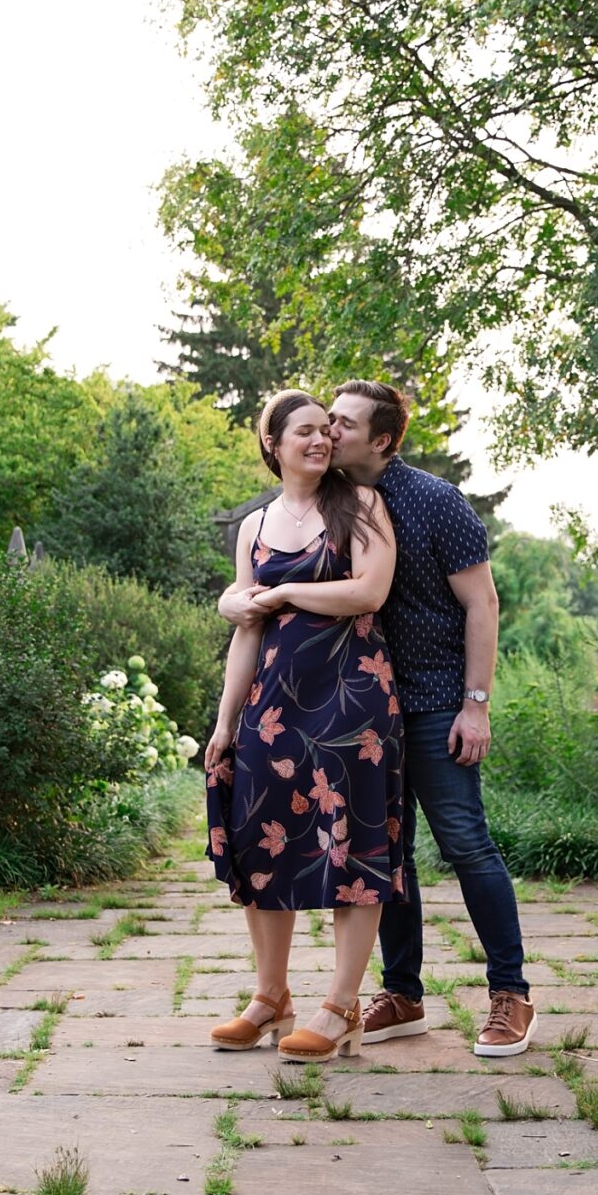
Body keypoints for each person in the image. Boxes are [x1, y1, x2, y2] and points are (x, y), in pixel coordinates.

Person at [221, 380, 534, 1057]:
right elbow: (257, 582)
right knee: (385, 855)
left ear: (383, 439)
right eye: (322, 421)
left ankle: (510, 992)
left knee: (464, 841)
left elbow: (483, 603)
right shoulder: (327, 499)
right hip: (356, 701)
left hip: (433, 699)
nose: (329, 431)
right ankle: (402, 992)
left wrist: (475, 705)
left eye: (343, 423)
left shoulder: (433, 501)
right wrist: (235, 599)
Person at [202, 390, 407, 1063]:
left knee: (357, 852)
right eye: (306, 432)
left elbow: (368, 592)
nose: (322, 440)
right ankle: (271, 999)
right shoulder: (253, 527)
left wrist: (287, 591)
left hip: (353, 705)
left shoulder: (362, 506)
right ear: (274, 445)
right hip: (273, 707)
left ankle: (339, 1005)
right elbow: (245, 630)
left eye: (328, 430)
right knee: (262, 846)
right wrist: (226, 721)